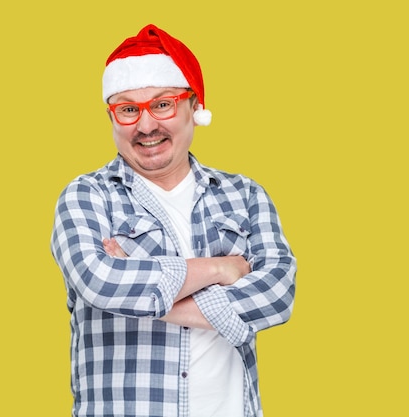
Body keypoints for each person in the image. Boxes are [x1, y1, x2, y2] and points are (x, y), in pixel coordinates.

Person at [50, 24, 296, 417]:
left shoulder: (245, 195)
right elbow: (100, 281)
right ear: (112, 117)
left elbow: (277, 295)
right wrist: (220, 268)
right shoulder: (86, 196)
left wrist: (140, 286)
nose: (146, 126)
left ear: (193, 107)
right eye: (128, 109)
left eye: (162, 104)